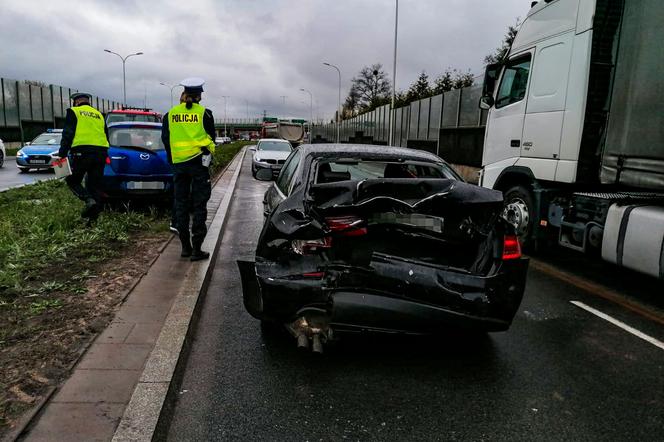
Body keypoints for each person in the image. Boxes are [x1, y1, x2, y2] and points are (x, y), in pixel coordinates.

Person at [161, 78, 216, 261]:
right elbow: (211, 137)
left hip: (179, 165)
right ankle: (197, 249)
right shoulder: (205, 114)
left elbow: (166, 139)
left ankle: (185, 247)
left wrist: (173, 161)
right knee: (199, 205)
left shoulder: (169, 115)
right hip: (199, 164)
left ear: (183, 94)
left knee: (181, 205)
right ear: (199, 96)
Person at [58, 92, 109, 223]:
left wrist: (62, 154)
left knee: (73, 181)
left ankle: (88, 200)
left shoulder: (74, 112)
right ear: (88, 101)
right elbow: (106, 135)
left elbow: (68, 134)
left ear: (76, 102)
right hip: (101, 153)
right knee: (94, 185)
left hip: (82, 153)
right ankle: (93, 220)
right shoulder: (99, 115)